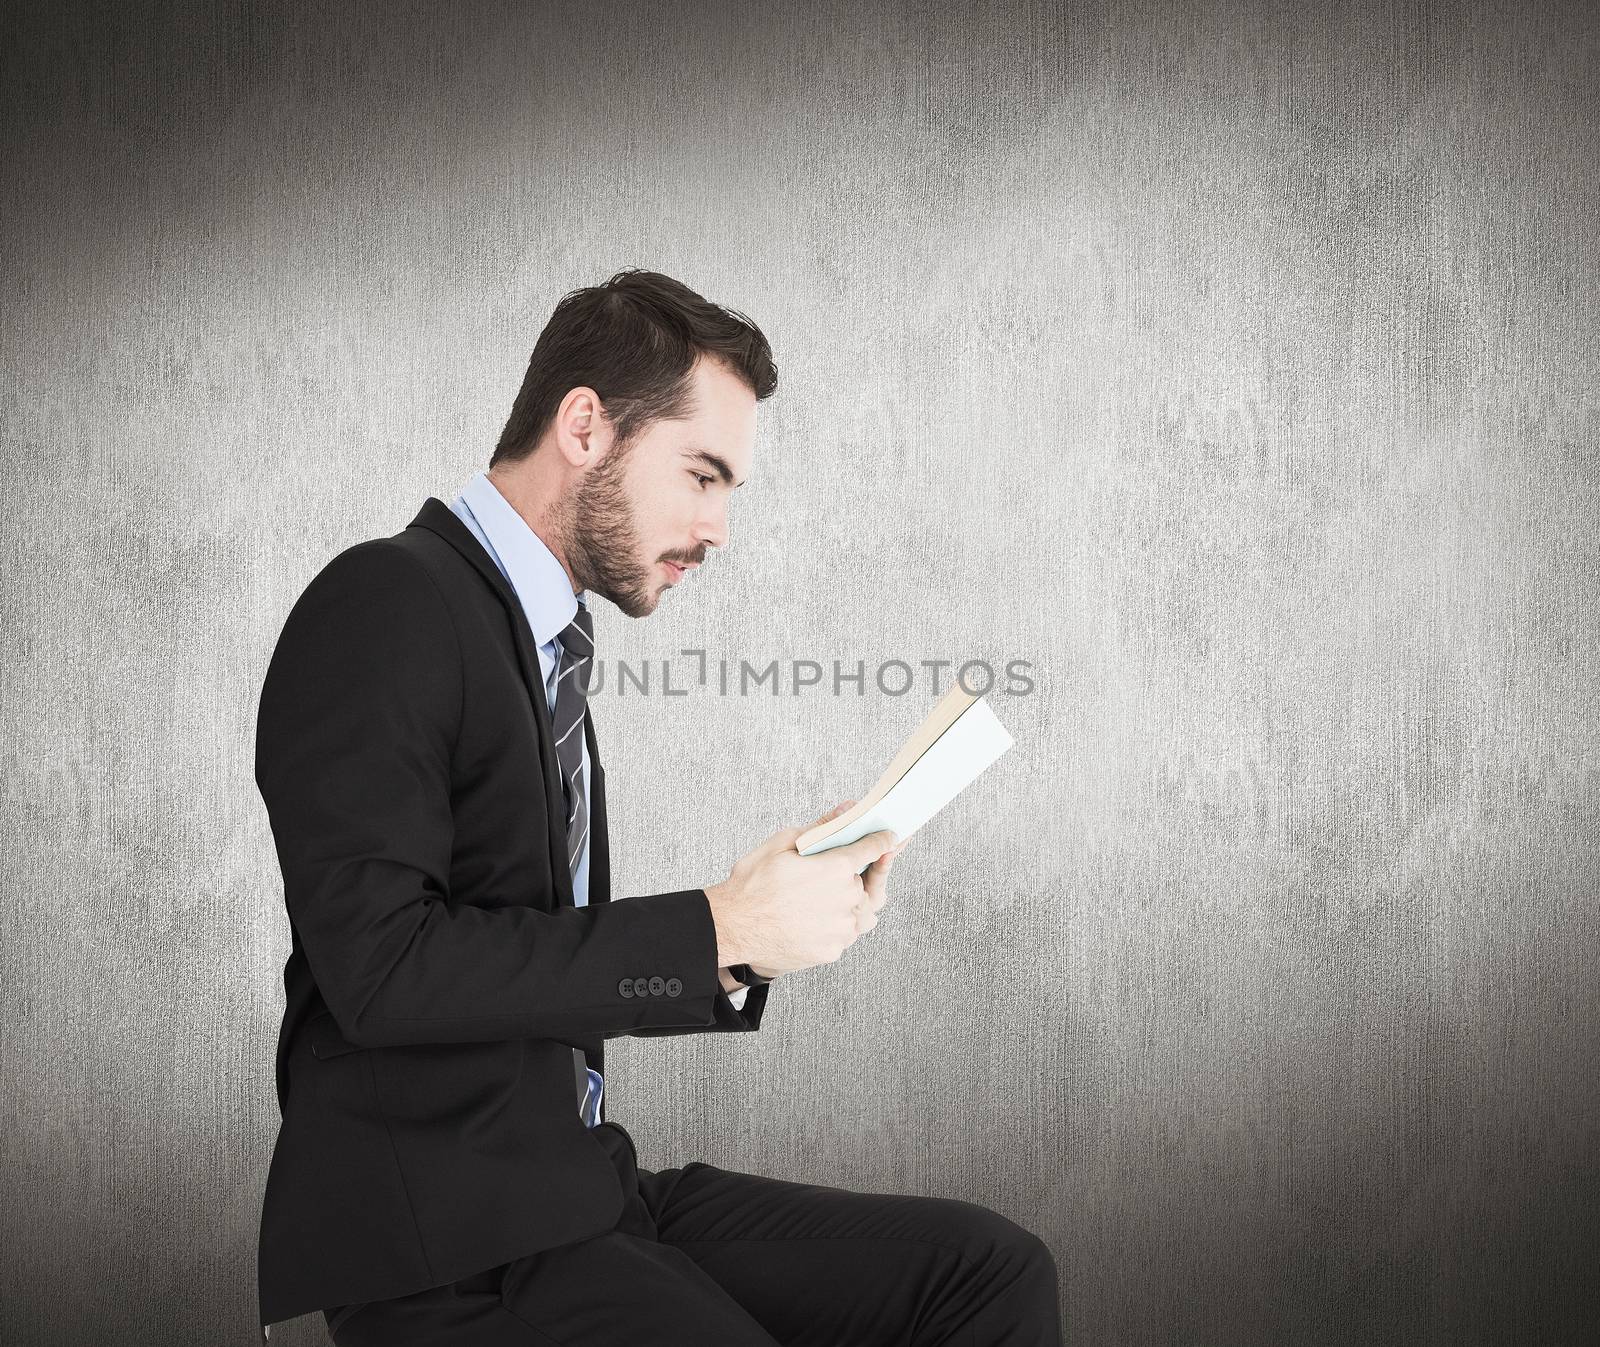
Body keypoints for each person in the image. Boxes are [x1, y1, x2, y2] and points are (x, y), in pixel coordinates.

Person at [253, 268, 1062, 1343]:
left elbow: (527, 949)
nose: (719, 528)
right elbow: (383, 971)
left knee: (987, 1271)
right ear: (584, 425)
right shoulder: (387, 601)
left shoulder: (537, 648)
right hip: (453, 1245)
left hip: (582, 1189)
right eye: (703, 474)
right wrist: (711, 925)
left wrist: (744, 946)